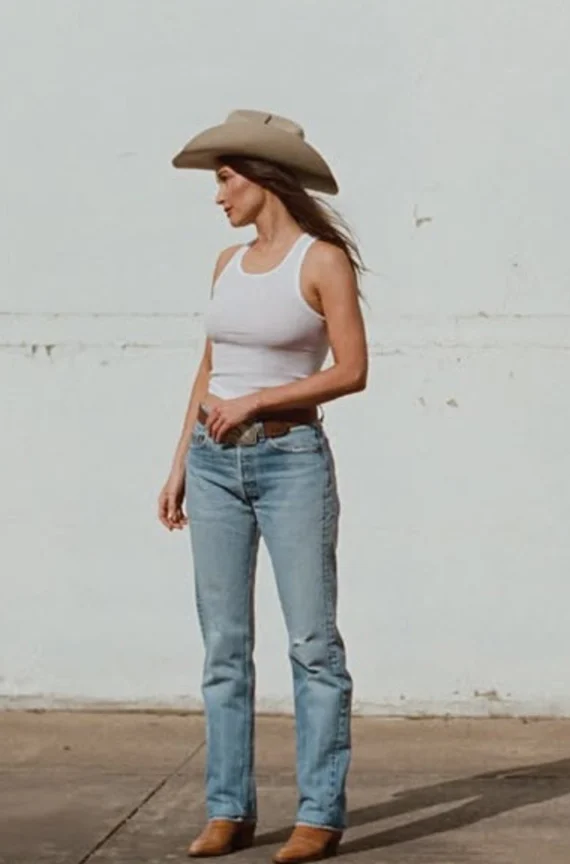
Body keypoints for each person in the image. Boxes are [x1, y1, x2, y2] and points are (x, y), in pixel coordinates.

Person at [158, 109, 368, 863]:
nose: (218, 195)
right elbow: (210, 367)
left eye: (225, 178)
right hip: (215, 468)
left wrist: (257, 402)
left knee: (313, 644)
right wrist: (181, 460)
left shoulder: (322, 260)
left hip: (290, 462)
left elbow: (350, 370)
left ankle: (319, 813)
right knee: (224, 646)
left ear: (263, 176)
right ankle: (228, 809)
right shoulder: (225, 263)